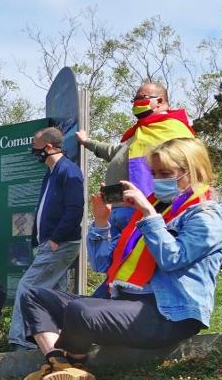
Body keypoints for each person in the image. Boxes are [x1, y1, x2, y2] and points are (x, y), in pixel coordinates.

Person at [20, 137, 222, 380]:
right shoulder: (155, 209)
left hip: (167, 316)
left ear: (194, 171)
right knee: (33, 294)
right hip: (123, 303)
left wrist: (149, 216)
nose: (157, 180)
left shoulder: (206, 215)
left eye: (166, 174)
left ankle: (73, 364)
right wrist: (101, 223)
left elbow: (172, 258)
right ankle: (59, 365)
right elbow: (102, 264)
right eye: (154, 174)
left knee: (81, 310)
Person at [77, 80, 195, 294]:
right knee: (111, 262)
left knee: (134, 258)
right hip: (118, 209)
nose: (136, 102)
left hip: (145, 211)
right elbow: (115, 152)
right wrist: (87, 142)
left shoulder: (174, 128)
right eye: (134, 99)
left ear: (159, 102)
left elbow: (187, 164)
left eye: (141, 98)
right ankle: (112, 294)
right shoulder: (137, 133)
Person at [8, 126, 85, 349]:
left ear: (48, 147)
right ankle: (61, 342)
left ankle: (22, 342)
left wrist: (56, 239)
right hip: (49, 244)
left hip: (60, 244)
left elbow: (75, 209)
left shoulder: (68, 171)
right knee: (54, 296)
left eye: (35, 147)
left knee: (27, 288)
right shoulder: (51, 174)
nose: (34, 151)